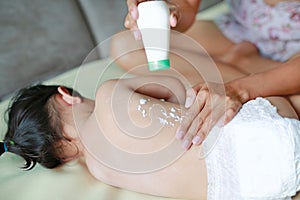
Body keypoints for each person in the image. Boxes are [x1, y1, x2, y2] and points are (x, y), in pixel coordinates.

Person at [1, 71, 300, 199]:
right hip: (264, 136)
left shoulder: (100, 170)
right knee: (287, 99)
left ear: (62, 154)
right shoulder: (107, 95)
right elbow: (175, 87)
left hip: (257, 190)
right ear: (66, 96)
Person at [110, 0, 300, 149]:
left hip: (294, 50)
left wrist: (240, 90)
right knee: (126, 45)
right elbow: (185, 7)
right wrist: (164, 12)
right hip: (240, 30)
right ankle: (252, 73)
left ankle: (244, 72)